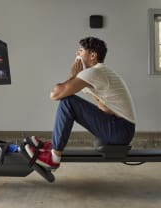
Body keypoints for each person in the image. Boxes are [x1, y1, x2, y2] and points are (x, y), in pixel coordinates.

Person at [25, 37, 136, 171]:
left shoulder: (93, 72)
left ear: (93, 55)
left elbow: (54, 94)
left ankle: (54, 157)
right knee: (69, 99)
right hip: (123, 129)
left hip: (121, 130)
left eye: (80, 51)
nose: (77, 54)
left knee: (68, 101)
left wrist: (73, 75)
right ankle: (53, 145)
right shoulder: (98, 72)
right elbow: (105, 108)